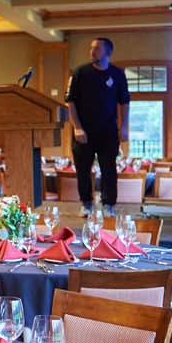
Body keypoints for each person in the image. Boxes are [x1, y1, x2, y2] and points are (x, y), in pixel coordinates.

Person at [65, 37, 129, 215]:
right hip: (83, 131)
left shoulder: (117, 75)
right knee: (83, 169)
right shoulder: (80, 73)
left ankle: (109, 205)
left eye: (97, 49)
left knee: (109, 169)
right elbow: (70, 102)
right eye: (91, 48)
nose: (92, 52)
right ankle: (86, 203)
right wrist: (77, 127)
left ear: (108, 53)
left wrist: (123, 127)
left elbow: (124, 102)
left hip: (108, 131)